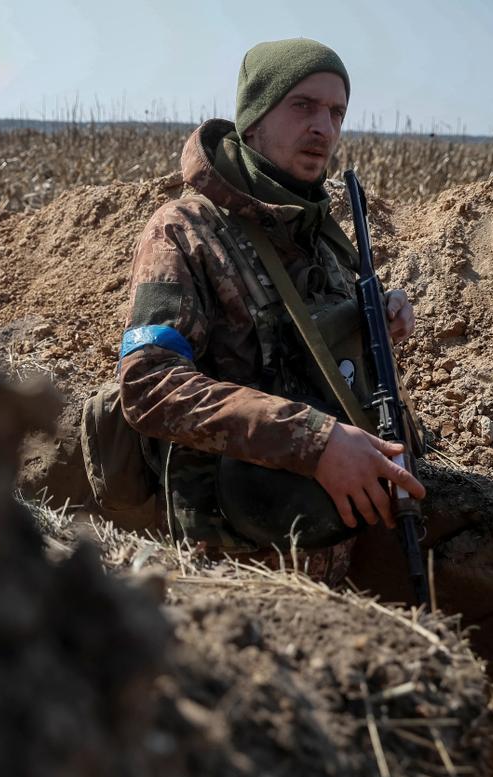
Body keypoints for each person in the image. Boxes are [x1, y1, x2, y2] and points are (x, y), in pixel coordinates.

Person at [117, 37, 426, 581]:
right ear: (254, 119)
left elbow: (316, 347)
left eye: (336, 112)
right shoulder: (186, 231)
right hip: (235, 563)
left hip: (333, 535)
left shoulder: (322, 234)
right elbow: (150, 387)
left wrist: (374, 316)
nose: (324, 129)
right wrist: (314, 441)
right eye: (303, 105)